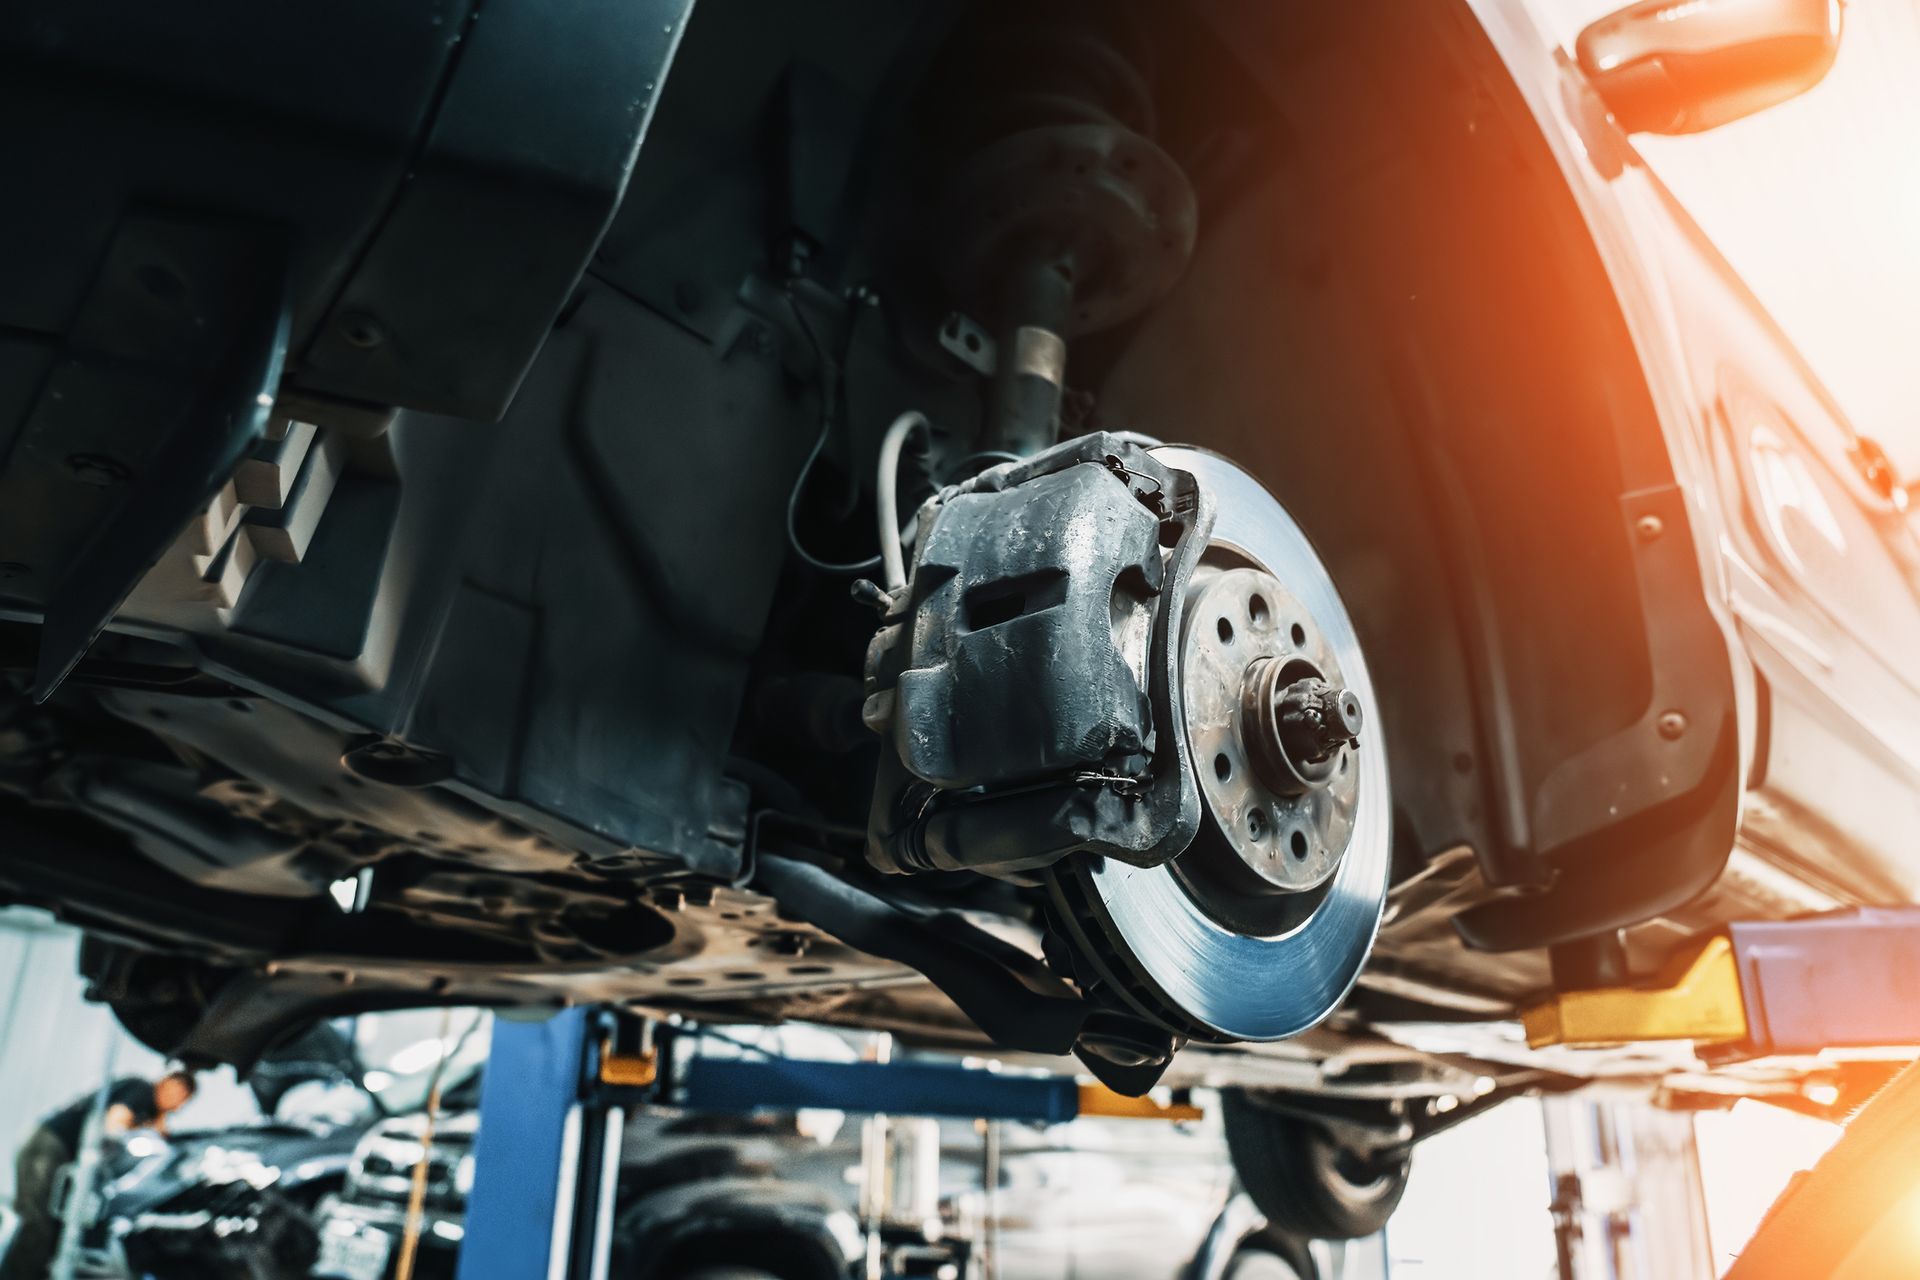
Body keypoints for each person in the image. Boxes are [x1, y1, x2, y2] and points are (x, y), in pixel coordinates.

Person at [2, 1070, 195, 1279]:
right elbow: (116, 1122)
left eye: (183, 1101)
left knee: (54, 1229)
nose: (177, 1103)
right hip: (48, 1148)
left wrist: (160, 1117)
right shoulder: (141, 1089)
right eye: (177, 1094)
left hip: (57, 1153)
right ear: (165, 1083)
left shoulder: (147, 1108)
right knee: (37, 1223)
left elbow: (157, 1132)